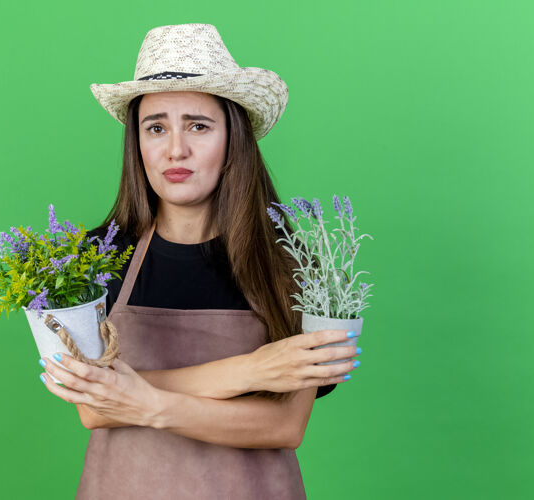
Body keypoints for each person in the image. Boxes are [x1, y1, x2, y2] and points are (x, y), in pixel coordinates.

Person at [38, 23, 360, 499]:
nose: (175, 149)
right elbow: (94, 407)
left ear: (234, 138)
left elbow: (285, 426)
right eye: (156, 127)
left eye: (198, 125)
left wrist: (147, 403)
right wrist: (252, 371)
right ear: (137, 144)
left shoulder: (290, 262)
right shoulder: (91, 259)